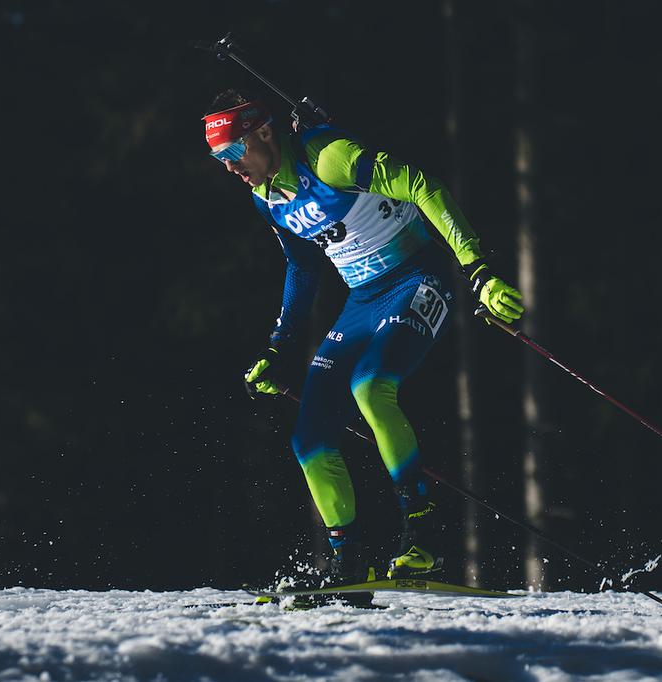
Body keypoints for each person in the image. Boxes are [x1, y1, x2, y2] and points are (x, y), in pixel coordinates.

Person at [202, 90, 525, 590]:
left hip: (417, 277)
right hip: (361, 302)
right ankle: (348, 561)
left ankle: (424, 539)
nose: (228, 168)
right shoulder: (264, 196)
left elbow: (421, 185)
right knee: (308, 437)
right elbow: (302, 267)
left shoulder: (329, 156)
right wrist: (276, 349)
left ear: (264, 133)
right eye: (218, 159)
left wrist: (478, 271)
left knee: (372, 387)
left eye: (232, 152)